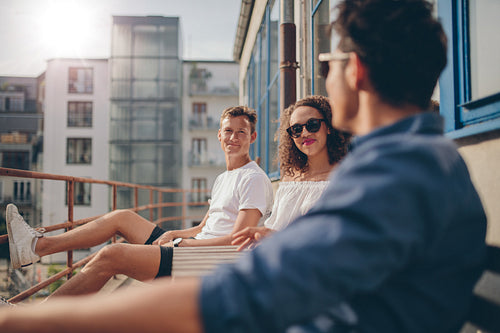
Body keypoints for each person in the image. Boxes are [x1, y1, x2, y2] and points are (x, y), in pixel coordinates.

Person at [0, 0, 488, 332]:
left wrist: (22, 322)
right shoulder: (413, 163)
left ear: (354, 69)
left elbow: (239, 297)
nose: (303, 133)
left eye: (326, 61)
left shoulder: (395, 180)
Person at [5, 105, 273, 298]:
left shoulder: (253, 179)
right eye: (229, 131)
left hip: (209, 260)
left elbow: (240, 237)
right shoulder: (224, 177)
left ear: (252, 137)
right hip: (195, 246)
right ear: (219, 135)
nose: (233, 138)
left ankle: (39, 321)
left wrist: (187, 244)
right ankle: (35, 247)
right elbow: (206, 224)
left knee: (112, 255)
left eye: (241, 132)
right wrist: (177, 233)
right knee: (122, 217)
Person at [232, 95, 350, 250]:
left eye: (312, 125)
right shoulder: (289, 178)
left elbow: (341, 235)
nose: (305, 133)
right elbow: (275, 226)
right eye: (296, 129)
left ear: (328, 126)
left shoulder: (345, 176)